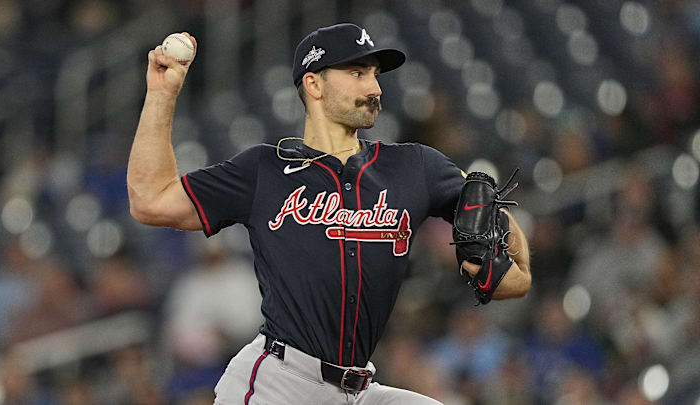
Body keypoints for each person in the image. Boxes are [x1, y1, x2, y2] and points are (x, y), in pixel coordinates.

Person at [127, 23, 531, 405]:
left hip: (359, 387)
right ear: (313, 83)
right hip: (279, 384)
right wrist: (162, 94)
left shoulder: (415, 168)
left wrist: (499, 253)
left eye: (374, 75)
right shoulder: (263, 172)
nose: (374, 87)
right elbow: (151, 200)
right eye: (357, 73)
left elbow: (515, 277)